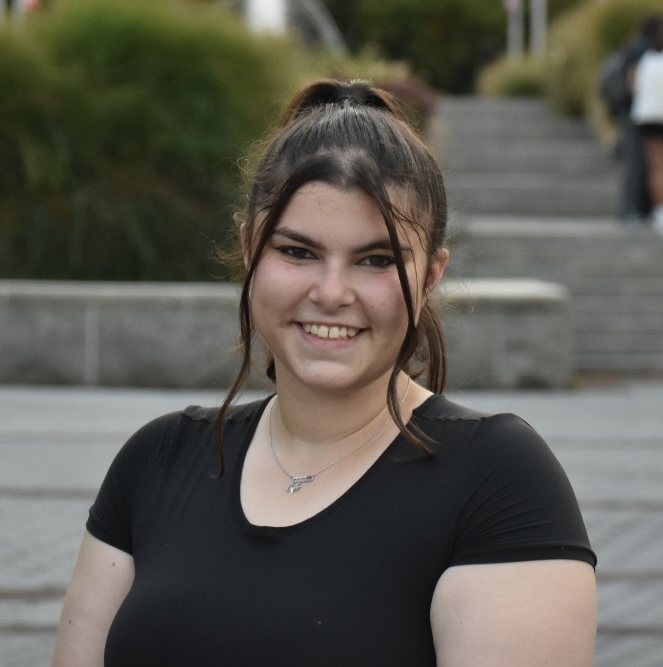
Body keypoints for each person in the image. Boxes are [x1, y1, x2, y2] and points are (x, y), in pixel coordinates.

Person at [51, 79, 597, 666]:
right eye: (298, 252)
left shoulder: (498, 481)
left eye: (376, 260)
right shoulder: (156, 461)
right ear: (249, 249)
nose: (331, 293)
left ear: (431, 276)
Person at [631, 16, 663, 232]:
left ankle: (660, 211)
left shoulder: (645, 60)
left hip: (647, 118)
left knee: (656, 168)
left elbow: (634, 87)